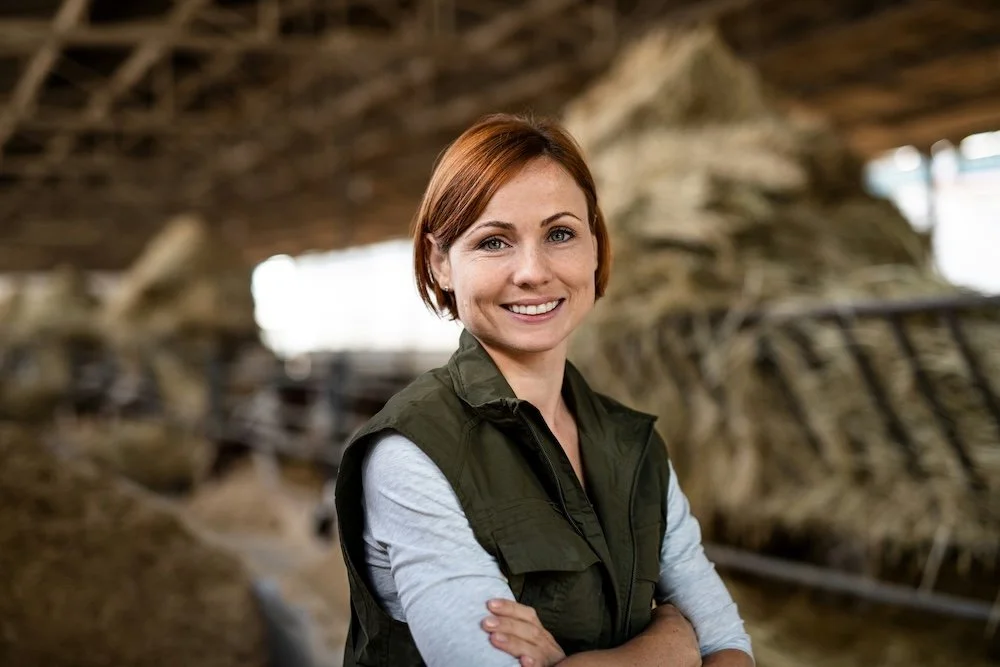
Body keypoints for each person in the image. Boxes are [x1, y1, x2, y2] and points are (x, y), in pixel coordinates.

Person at [335, 113, 754, 667]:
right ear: (440, 264)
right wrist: (669, 647)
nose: (533, 272)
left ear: (596, 247)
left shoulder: (633, 445)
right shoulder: (410, 453)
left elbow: (730, 650)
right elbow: (700, 643)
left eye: (560, 234)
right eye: (494, 242)